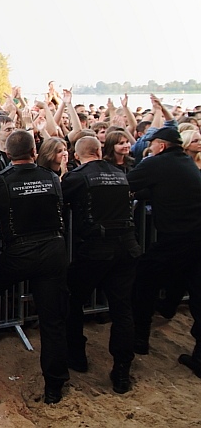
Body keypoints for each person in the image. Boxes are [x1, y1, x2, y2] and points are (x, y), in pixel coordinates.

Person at [0, 130, 70, 404]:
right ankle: (54, 387)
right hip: (53, 250)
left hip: (20, 252)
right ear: (34, 152)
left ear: (8, 155)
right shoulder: (51, 177)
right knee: (52, 321)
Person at [61, 137, 141, 394]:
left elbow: (60, 198)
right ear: (99, 151)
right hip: (127, 248)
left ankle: (77, 356)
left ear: (77, 154)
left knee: (73, 301)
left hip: (96, 250)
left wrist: (64, 173)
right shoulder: (120, 173)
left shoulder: (78, 176)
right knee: (122, 310)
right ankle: (121, 372)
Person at [127, 127, 201, 377]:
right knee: (195, 290)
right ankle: (197, 354)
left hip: (177, 239)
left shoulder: (157, 163)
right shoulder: (186, 163)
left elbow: (127, 182)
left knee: (143, 278)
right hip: (195, 238)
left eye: (153, 143)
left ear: (161, 145)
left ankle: (140, 339)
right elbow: (166, 188)